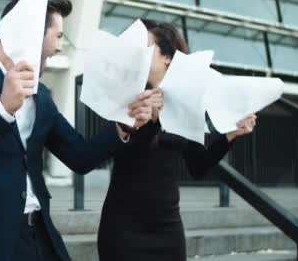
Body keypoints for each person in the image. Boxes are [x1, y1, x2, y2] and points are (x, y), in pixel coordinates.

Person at [0, 0, 155, 261]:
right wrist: (1, 108)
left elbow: (80, 156)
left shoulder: (42, 95)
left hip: (40, 236)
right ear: (30, 31)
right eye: (58, 35)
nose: (60, 46)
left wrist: (124, 125)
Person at [97, 20, 257, 261]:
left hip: (167, 227)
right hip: (123, 227)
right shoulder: (127, 98)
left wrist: (230, 135)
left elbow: (197, 165)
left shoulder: (184, 101)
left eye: (146, 47)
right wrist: (147, 121)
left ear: (168, 57)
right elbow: (124, 151)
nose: (138, 54)